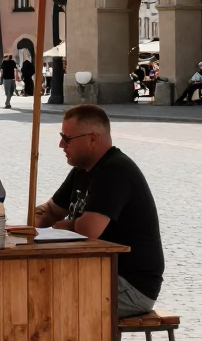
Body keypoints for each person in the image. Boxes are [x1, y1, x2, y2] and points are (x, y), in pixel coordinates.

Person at [35, 105, 164, 317]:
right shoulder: (82, 170)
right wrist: (26, 224)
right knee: (33, 285)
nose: (61, 145)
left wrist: (64, 226)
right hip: (99, 272)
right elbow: (51, 210)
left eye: (66, 138)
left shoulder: (114, 170)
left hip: (129, 285)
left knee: (47, 304)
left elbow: (89, 230)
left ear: (93, 139)